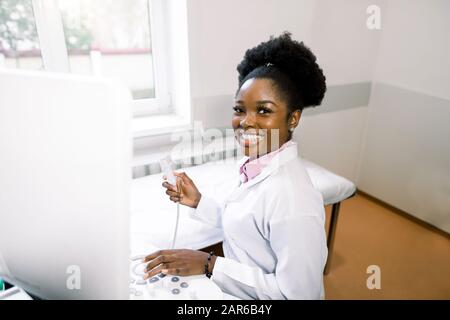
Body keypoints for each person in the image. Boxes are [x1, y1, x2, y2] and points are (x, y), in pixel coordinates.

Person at [143, 32, 328, 299]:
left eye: (263, 110)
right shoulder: (254, 165)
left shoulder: (294, 201)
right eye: (240, 109)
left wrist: (209, 264)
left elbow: (299, 295)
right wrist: (198, 202)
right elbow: (245, 226)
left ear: (293, 118)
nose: (246, 122)